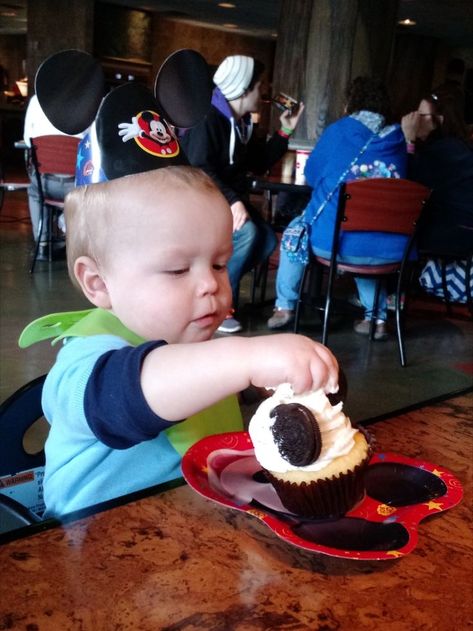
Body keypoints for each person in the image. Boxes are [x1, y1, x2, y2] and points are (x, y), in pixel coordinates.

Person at [32, 166, 338, 517]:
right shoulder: (86, 362)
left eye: (220, 264)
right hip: (98, 549)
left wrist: (270, 381)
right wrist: (245, 358)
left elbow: (208, 390)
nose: (210, 284)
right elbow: (132, 392)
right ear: (98, 283)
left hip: (198, 531)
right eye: (178, 270)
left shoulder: (195, 346)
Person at [268, 77, 407, 340]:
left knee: (294, 232)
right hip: (388, 250)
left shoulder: (340, 130)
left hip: (335, 244)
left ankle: (284, 306)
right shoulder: (398, 138)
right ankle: (376, 319)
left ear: (351, 101)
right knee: (366, 236)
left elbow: (311, 174)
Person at [180, 55, 304, 333]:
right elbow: (198, 166)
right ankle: (219, 304)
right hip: (197, 200)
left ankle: (222, 295)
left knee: (267, 240)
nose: (264, 93)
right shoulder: (208, 117)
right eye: (260, 86)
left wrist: (285, 130)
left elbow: (258, 163)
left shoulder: (240, 122)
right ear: (244, 89)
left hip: (220, 198)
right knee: (247, 234)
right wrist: (233, 201)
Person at [401, 89, 473, 256]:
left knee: (396, 236)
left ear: (439, 121)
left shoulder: (444, 152)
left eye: (421, 116)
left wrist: (409, 141)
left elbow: (410, 186)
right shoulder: (455, 147)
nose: (415, 120)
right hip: (461, 228)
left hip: (457, 231)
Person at [23, 94, 83, 260]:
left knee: (35, 194)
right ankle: (75, 243)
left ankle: (42, 245)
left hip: (46, 183)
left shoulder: (37, 100)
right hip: (77, 186)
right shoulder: (89, 100)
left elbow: (28, 141)